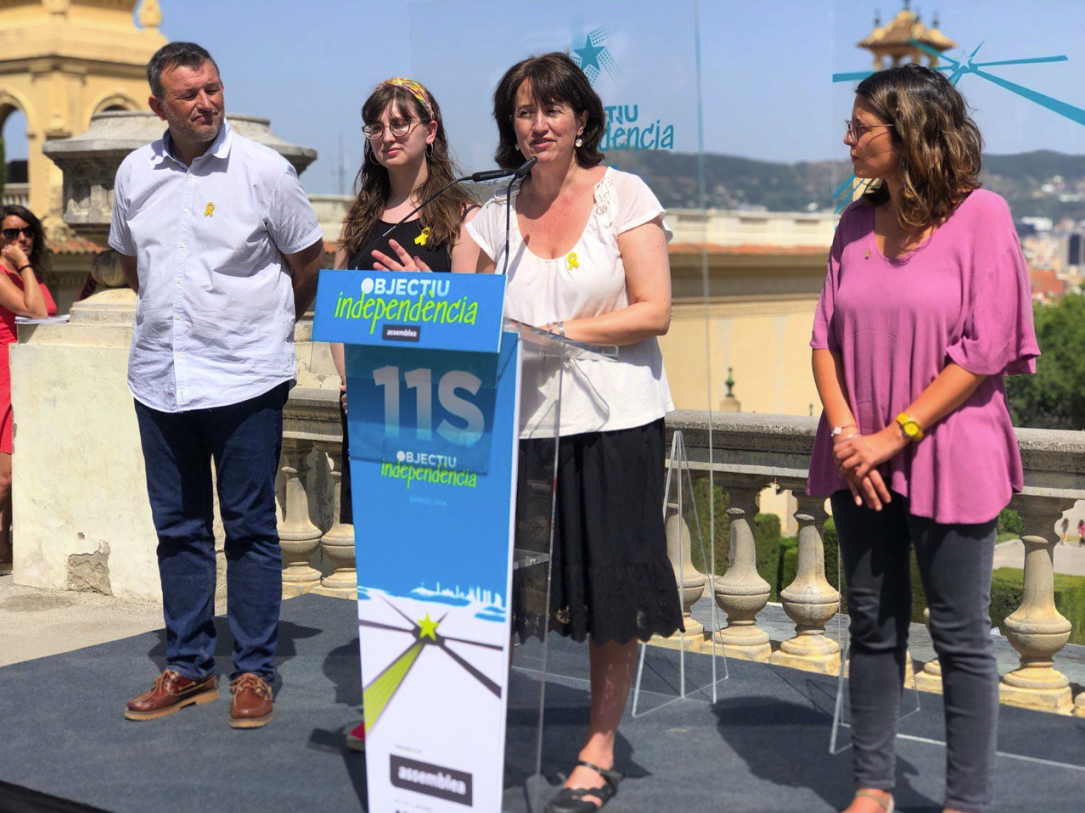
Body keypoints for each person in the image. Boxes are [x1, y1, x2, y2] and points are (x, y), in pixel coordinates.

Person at [808, 65, 1039, 813]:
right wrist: (850, 437)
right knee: (871, 627)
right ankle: (871, 789)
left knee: (960, 637)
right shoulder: (851, 222)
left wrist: (891, 435)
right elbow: (823, 341)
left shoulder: (984, 216)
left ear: (906, 132)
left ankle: (962, 801)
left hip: (949, 452)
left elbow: (984, 346)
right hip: (858, 458)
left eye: (859, 127)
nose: (845, 139)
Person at [455, 52, 681, 813]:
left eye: (552, 109)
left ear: (582, 118)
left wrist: (558, 328)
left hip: (614, 423)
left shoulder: (625, 195)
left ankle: (598, 743)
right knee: (511, 588)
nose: (537, 123)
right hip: (520, 426)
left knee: (608, 590)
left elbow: (653, 310)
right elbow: (462, 315)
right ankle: (463, 727)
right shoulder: (488, 214)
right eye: (523, 111)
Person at [110, 42, 324, 729]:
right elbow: (131, 265)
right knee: (178, 529)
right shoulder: (134, 174)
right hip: (160, 378)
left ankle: (255, 670)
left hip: (245, 379)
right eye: (188, 94)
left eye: (212, 88)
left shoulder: (265, 171)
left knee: (252, 528)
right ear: (157, 106)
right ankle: (188, 666)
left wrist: (258, 329)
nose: (205, 102)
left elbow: (308, 259)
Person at [329, 76, 478, 752]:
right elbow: (337, 315)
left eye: (400, 122)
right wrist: (345, 380)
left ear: (429, 130)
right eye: (377, 125)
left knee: (441, 569)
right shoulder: (358, 221)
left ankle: (446, 707)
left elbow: (479, 318)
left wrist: (424, 294)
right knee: (385, 572)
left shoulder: (462, 216)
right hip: (372, 414)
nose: (387, 134)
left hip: (439, 420)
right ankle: (389, 706)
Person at [0, 205, 56, 568]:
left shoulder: (32, 275)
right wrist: (22, 264)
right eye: (10, 233)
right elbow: (34, 312)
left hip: (30, 376)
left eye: (27, 232)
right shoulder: (8, 273)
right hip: (4, 375)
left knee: (14, 474)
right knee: (4, 478)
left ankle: (3, 548)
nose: (21, 238)